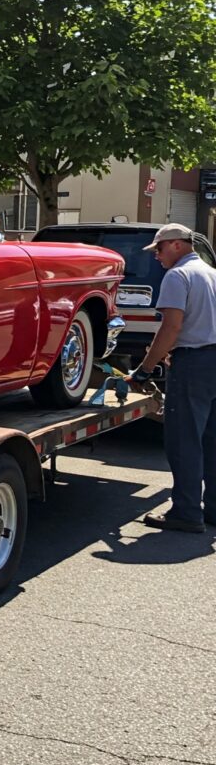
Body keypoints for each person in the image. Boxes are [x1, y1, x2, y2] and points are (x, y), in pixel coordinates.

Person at [131, 222, 216, 533]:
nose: (156, 256)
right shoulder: (211, 273)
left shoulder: (177, 276)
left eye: (159, 249)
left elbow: (171, 327)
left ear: (178, 245)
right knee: (211, 440)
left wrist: (145, 367)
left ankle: (186, 512)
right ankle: (212, 510)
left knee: (184, 439)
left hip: (193, 364)